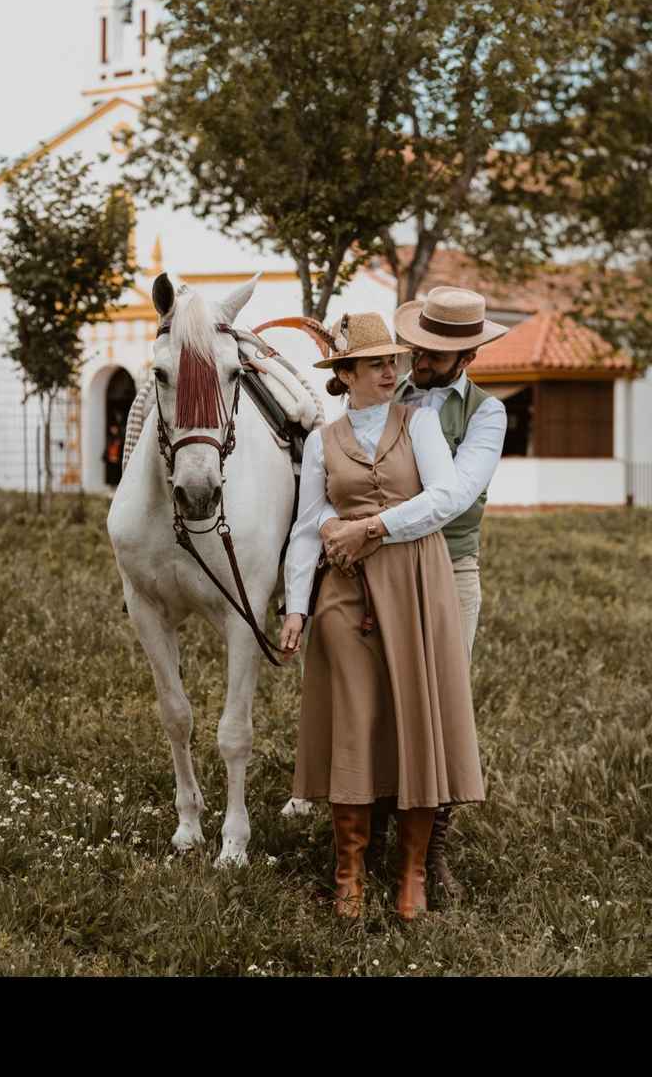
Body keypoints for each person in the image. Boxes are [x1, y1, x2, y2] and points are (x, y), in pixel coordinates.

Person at [280, 311, 486, 921]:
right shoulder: (323, 441)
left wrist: (372, 526)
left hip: (416, 582)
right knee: (353, 718)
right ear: (344, 374)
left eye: (392, 361)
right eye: (376, 364)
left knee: (415, 716)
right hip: (344, 592)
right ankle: (348, 873)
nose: (392, 371)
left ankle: (413, 873)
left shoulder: (419, 424)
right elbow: (306, 525)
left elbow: (445, 498)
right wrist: (296, 606)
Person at [318, 287, 509, 896]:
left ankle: (433, 850)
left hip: (445, 568)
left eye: (433, 354)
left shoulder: (485, 414)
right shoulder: (385, 394)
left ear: (467, 357)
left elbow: (454, 499)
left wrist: (371, 527)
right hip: (365, 571)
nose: (417, 362)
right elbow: (338, 478)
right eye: (416, 348)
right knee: (372, 699)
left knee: (435, 702)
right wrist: (332, 525)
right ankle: (369, 839)